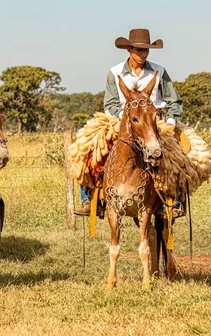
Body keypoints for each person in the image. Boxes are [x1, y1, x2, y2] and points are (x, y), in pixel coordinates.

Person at [74, 28, 183, 215]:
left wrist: (171, 122)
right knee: (89, 150)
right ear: (129, 50)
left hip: (152, 121)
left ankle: (174, 201)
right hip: (120, 121)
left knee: (180, 154)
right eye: (139, 50)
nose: (143, 54)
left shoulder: (159, 71)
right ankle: (90, 198)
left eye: (146, 50)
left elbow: (174, 100)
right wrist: (121, 120)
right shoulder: (115, 72)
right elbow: (109, 102)